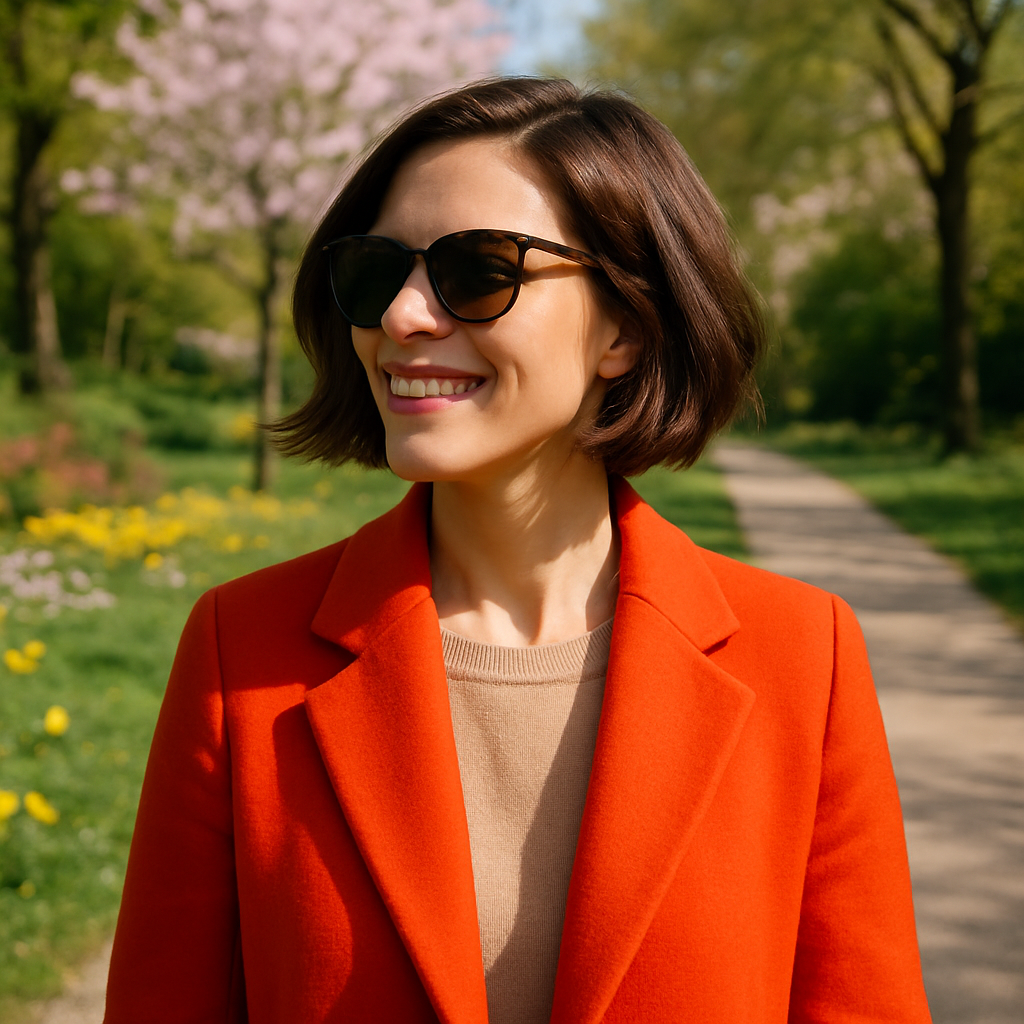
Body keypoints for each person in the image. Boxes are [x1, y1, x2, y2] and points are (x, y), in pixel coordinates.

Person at [103, 78, 932, 1024]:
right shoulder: (241, 650)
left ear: (625, 326)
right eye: (376, 272)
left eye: (478, 271)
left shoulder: (804, 658)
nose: (403, 316)